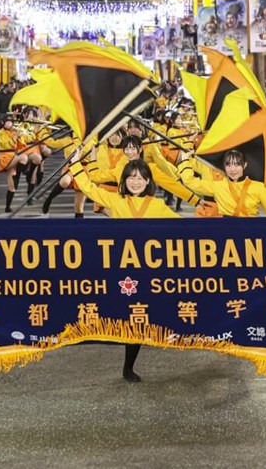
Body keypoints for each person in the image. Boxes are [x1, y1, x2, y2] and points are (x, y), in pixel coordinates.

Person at [69, 150, 179, 382]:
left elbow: (187, 232)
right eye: (131, 177)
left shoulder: (158, 206)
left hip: (149, 272)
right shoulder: (116, 201)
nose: (136, 182)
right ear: (123, 181)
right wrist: (76, 163)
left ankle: (131, 364)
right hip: (121, 271)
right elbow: (89, 188)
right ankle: (124, 361)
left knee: (142, 316)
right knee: (126, 316)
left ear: (148, 181)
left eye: (140, 178)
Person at [178, 149, 266, 217]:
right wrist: (184, 161)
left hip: (252, 237)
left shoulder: (258, 187)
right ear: (224, 167)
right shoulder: (218, 186)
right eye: (229, 165)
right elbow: (190, 182)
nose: (233, 169)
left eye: (237, 165)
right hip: (227, 236)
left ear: (244, 165)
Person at [0, 114, 29, 213]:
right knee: (23, 157)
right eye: (8, 122)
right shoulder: (0, 133)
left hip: (12, 156)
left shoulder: (12, 131)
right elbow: (5, 144)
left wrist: (20, 135)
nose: (10, 124)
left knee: (12, 187)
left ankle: (7, 207)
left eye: (11, 122)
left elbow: (22, 145)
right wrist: (15, 136)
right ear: (3, 123)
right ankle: (20, 175)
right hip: (5, 156)